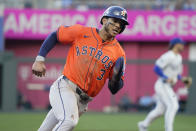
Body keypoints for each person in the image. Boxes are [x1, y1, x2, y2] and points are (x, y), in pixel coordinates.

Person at [32, 6, 128, 131]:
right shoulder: (83, 32)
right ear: (104, 20)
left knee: (48, 128)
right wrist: (40, 59)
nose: (117, 26)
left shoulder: (119, 53)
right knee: (69, 121)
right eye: (115, 21)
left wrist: (115, 79)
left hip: (83, 101)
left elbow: (114, 89)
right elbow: (56, 35)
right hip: (66, 87)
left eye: (121, 24)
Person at [138, 38, 191, 131]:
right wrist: (166, 77)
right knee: (173, 105)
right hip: (162, 85)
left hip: (167, 86)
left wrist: (182, 79)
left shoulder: (179, 57)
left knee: (159, 111)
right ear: (175, 45)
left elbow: (175, 74)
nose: (183, 46)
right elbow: (156, 68)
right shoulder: (168, 56)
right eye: (181, 44)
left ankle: (143, 125)